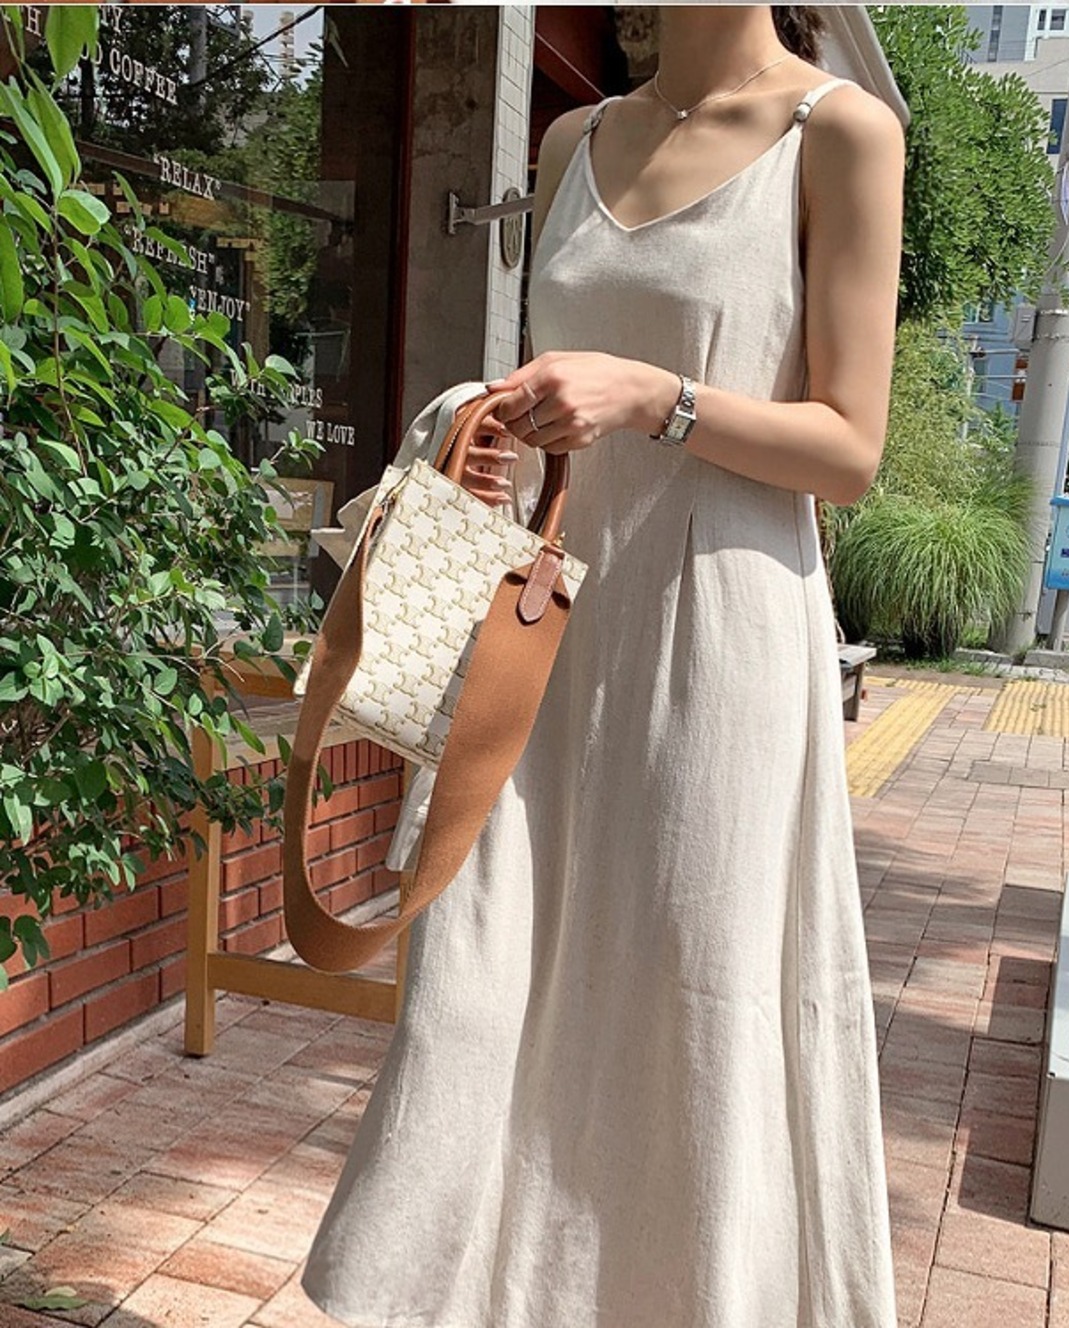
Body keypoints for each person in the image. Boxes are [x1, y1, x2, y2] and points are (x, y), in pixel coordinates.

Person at [301, 6, 904, 1325]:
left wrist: (654, 397)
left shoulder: (840, 132)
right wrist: (500, 432)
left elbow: (852, 448)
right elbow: (568, 392)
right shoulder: (574, 138)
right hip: (553, 626)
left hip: (718, 633)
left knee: (691, 991)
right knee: (486, 970)